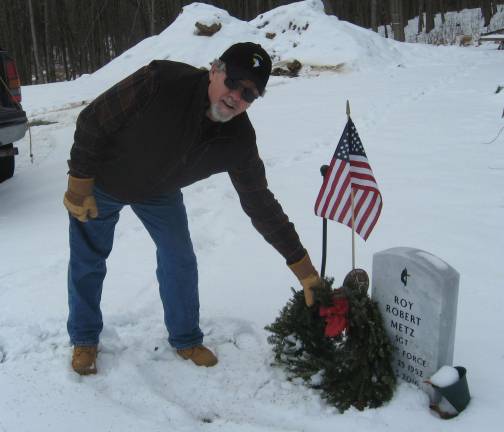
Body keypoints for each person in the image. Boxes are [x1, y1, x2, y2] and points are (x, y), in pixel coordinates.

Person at [64, 42, 321, 375]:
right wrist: (79, 181)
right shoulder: (162, 81)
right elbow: (93, 120)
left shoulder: (238, 141)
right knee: (88, 259)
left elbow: (261, 204)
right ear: (215, 70)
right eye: (233, 82)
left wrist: (305, 270)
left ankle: (185, 338)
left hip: (159, 193)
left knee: (180, 258)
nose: (236, 97)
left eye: (249, 94)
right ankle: (84, 338)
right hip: (105, 182)